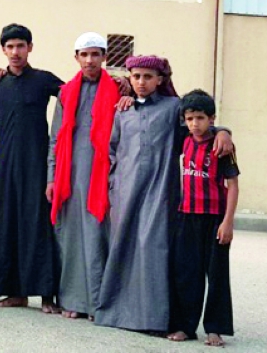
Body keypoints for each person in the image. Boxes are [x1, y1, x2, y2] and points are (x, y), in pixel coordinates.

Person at [96, 56, 232, 333]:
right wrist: (113, 189)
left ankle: (154, 318)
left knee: (153, 249)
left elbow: (197, 126)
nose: (142, 82)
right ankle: (116, 312)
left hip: (160, 191)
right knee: (124, 248)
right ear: (129, 78)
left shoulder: (172, 108)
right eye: (136, 76)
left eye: (148, 76)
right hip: (125, 191)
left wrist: (222, 131)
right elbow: (113, 152)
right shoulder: (122, 111)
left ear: (160, 79)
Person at [0, 23, 62, 312]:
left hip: (37, 164)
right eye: (10, 47)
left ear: (30, 47)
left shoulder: (43, 80)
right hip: (4, 164)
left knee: (37, 223)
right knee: (6, 223)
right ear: (3, 50)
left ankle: (46, 295)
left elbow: (76, 95)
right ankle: (12, 292)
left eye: (21, 46)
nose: (15, 52)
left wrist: (120, 87)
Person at [47, 32, 125, 320]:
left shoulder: (118, 90)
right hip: (71, 176)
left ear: (105, 57)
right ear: (76, 57)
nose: (90, 60)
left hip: (103, 175)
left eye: (96, 54)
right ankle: (73, 301)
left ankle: (98, 303)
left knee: (99, 237)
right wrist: (51, 178)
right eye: (85, 54)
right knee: (69, 238)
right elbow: (56, 137)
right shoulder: (66, 93)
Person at [168, 90, 239, 347]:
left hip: (214, 220)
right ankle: (185, 326)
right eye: (189, 118)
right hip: (187, 217)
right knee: (187, 273)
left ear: (212, 118)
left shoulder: (221, 147)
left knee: (217, 275)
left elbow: (233, 185)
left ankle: (215, 329)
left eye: (200, 118)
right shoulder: (184, 140)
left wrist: (228, 222)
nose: (194, 124)